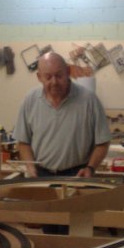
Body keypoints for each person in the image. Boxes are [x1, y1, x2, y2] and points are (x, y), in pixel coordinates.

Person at [14, 51, 111, 179]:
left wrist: (90, 168)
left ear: (68, 72)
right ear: (39, 77)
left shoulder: (89, 100)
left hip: (78, 175)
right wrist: (30, 167)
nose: (54, 82)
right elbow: (23, 141)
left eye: (59, 75)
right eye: (48, 77)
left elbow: (103, 142)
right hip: (41, 174)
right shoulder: (30, 100)